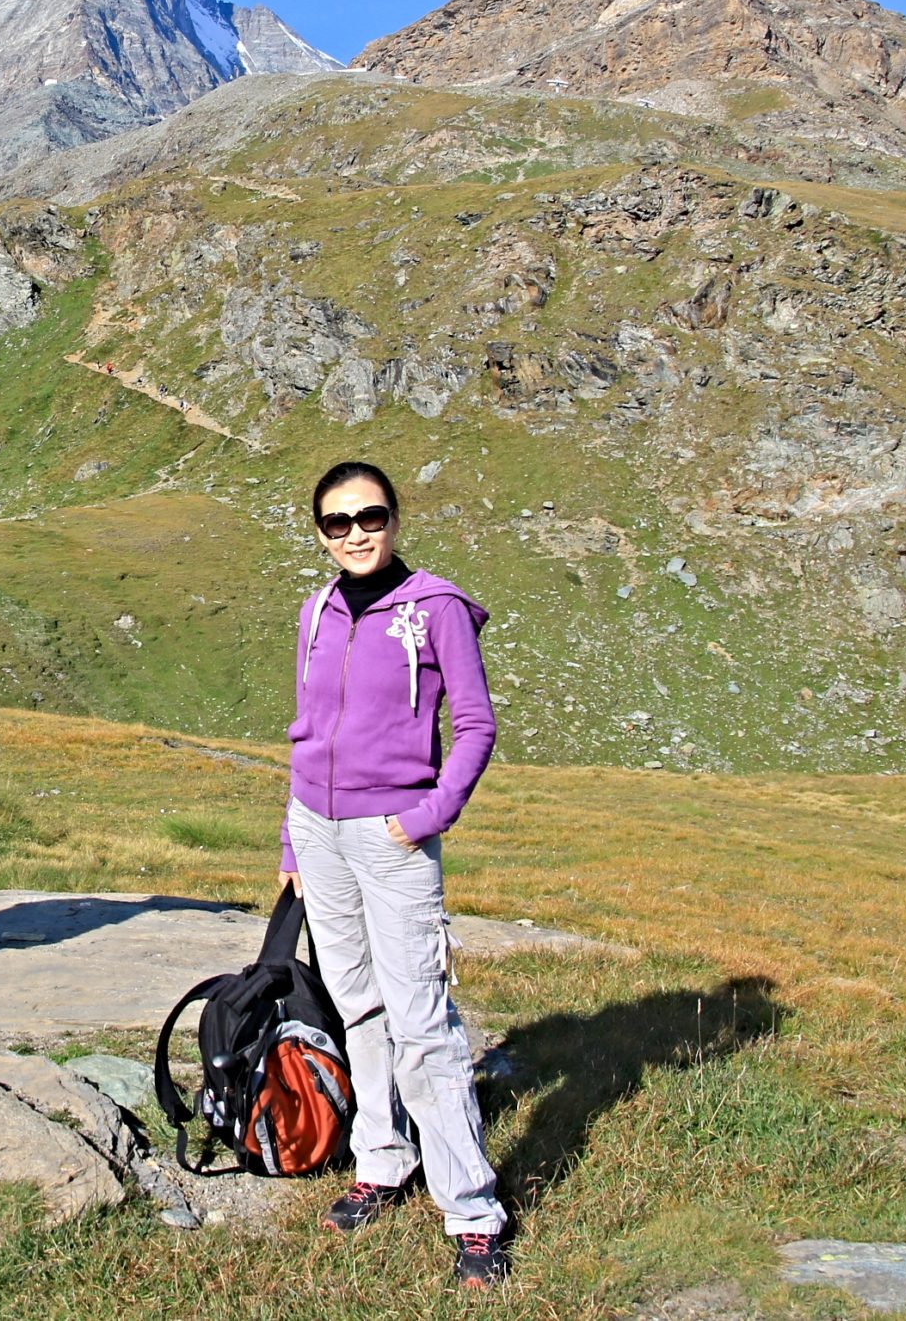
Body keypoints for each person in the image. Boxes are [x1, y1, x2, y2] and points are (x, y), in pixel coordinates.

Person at [279, 460, 510, 1288]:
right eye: (337, 523)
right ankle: (382, 1157)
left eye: (369, 516)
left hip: (393, 836)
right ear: (320, 534)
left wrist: (427, 816)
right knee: (357, 1003)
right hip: (320, 830)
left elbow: (477, 724)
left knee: (421, 1019)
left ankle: (473, 1211)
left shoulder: (437, 607)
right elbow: (307, 730)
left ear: (396, 517)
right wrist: (291, 841)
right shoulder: (314, 610)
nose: (355, 533)